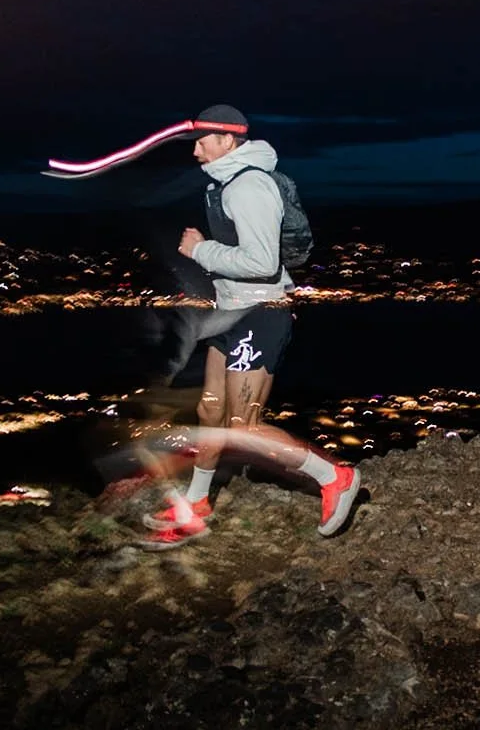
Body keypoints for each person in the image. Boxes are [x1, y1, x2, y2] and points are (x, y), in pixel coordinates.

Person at [140, 104, 362, 547]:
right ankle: (197, 505)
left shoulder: (249, 186)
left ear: (228, 140)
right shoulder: (227, 184)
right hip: (231, 313)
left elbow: (262, 263)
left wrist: (200, 251)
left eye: (203, 142)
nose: (195, 151)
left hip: (259, 315)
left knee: (243, 426)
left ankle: (335, 477)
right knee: (210, 414)